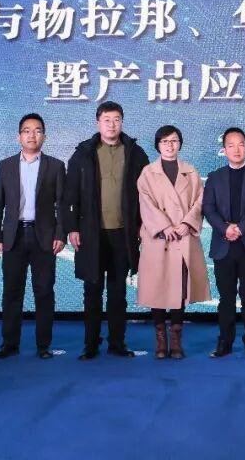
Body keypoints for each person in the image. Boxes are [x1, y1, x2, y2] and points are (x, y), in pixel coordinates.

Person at [63, 101, 149, 361]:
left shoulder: (135, 153)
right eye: (106, 120)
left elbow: (146, 194)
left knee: (118, 291)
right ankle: (90, 344)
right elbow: (70, 193)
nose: (112, 125)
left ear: (122, 122)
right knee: (92, 290)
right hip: (91, 233)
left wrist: (143, 224)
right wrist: (72, 227)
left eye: (116, 120)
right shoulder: (83, 153)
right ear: (98, 122)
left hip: (123, 233)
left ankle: (117, 342)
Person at [0, 113, 66, 360]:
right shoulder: (5, 166)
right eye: (27, 130)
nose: (32, 135)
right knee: (12, 292)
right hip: (14, 236)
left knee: (44, 292)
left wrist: (60, 234)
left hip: (45, 237)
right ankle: (9, 344)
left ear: (44, 136)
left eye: (37, 130)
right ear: (18, 136)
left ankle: (44, 345)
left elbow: (62, 205)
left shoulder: (55, 166)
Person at [136, 125, 211, 360]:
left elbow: (200, 201)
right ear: (157, 145)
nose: (170, 145)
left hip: (182, 237)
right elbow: (145, 203)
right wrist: (164, 226)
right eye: (165, 141)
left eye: (174, 140)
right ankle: (160, 341)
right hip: (159, 238)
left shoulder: (191, 172)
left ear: (180, 144)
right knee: (157, 288)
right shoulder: (147, 173)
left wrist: (187, 223)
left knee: (180, 288)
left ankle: (176, 340)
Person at [202, 127, 245, 358]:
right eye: (231, 145)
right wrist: (226, 229)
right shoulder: (214, 177)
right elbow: (208, 208)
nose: (236, 149)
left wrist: (240, 228)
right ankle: (225, 342)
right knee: (226, 299)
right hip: (224, 245)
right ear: (224, 150)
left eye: (241, 144)